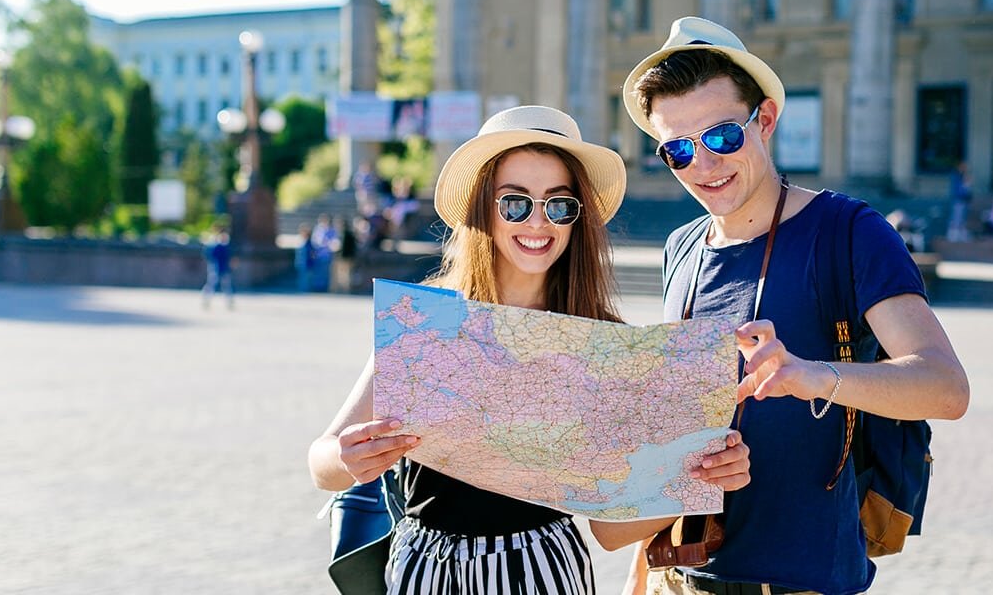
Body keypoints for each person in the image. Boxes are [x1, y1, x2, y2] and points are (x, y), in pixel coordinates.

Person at [307, 105, 752, 594]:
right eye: (514, 203)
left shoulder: (601, 342)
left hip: (544, 572)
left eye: (559, 205)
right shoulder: (427, 322)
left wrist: (701, 479)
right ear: (483, 210)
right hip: (427, 572)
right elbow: (322, 463)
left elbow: (607, 531)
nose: (538, 222)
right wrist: (349, 457)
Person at [620, 17, 970, 594]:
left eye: (722, 137)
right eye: (677, 150)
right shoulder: (679, 246)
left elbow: (945, 387)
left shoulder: (849, 231)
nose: (703, 165)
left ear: (765, 120)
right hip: (680, 575)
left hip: (804, 578)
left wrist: (812, 375)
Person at [200, 223, 234, 310]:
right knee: (212, 285)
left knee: (225, 287)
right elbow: (211, 257)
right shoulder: (217, 246)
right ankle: (206, 300)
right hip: (216, 269)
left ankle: (229, 302)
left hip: (223, 269)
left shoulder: (224, 246)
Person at [947, 160, 973, 242]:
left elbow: (966, 189)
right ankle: (953, 236)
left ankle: (960, 235)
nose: (965, 168)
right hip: (958, 199)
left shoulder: (962, 176)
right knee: (956, 217)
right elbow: (959, 189)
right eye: (963, 166)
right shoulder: (956, 176)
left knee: (961, 218)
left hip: (963, 200)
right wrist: (965, 183)